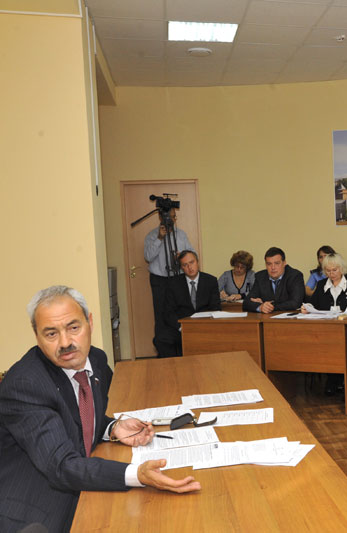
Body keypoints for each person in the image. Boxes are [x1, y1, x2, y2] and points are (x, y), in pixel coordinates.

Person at [0, 286, 201, 532]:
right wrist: (137, 474)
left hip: (80, 485)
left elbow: (72, 417)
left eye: (73, 328)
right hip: (35, 511)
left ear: (90, 322)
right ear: (37, 336)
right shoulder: (26, 384)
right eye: (51, 334)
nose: (65, 343)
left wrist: (112, 427)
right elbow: (61, 465)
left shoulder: (95, 360)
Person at [302, 253, 347, 395]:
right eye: (328, 271)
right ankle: (333, 379)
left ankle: (346, 381)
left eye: (335, 270)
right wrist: (307, 307)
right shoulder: (322, 285)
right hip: (327, 333)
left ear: (342, 268)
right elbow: (313, 304)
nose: (331, 274)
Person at [144, 207, 194, 357]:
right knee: (161, 315)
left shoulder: (181, 235)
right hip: (159, 280)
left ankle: (182, 350)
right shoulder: (152, 235)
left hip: (178, 278)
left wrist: (182, 257)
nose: (171, 220)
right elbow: (148, 256)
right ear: (161, 217)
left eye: (174, 217)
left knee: (181, 312)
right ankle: (164, 353)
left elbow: (192, 254)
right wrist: (159, 238)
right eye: (169, 217)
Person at [159, 250, 221, 357]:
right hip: (181, 327)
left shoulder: (210, 281)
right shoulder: (173, 284)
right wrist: (181, 327)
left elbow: (215, 307)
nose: (189, 267)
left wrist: (204, 326)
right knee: (161, 339)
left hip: (204, 326)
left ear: (197, 262)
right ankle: (176, 364)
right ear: (181, 268)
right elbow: (168, 312)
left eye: (192, 262)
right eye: (185, 265)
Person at [243, 247, 305, 313]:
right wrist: (260, 307)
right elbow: (246, 303)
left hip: (289, 318)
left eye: (277, 263)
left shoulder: (295, 276)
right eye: (269, 264)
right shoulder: (260, 277)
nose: (273, 267)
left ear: (284, 263)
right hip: (266, 318)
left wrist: (268, 306)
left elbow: (295, 303)